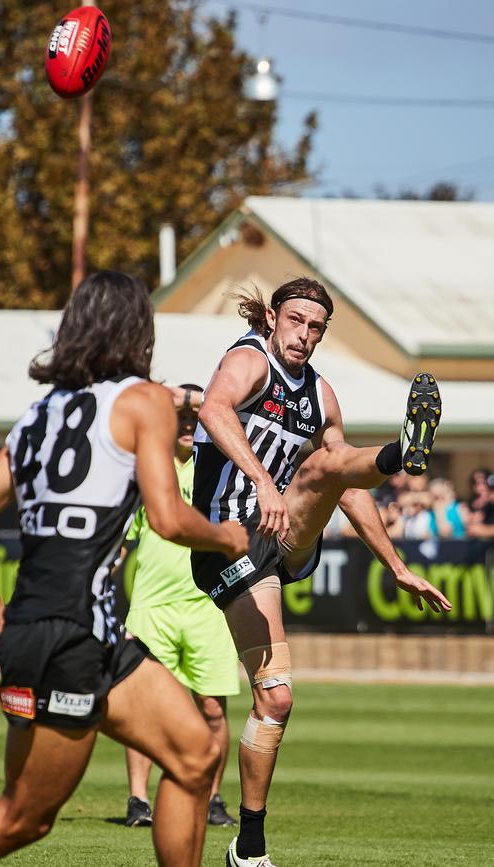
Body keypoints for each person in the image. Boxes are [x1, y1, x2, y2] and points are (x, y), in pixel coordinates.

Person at [0, 271, 248, 867]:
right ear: (135, 331)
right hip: (72, 638)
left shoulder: (38, 417)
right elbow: (169, 518)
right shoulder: (142, 401)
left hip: (58, 633)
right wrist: (226, 536)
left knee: (196, 756)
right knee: (22, 817)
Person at [190, 277, 452, 867]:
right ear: (274, 318)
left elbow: (342, 480)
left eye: (317, 327)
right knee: (276, 700)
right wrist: (261, 479)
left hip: (283, 531)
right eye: (297, 321)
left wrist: (398, 567)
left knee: (332, 462)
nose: (305, 335)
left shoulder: (321, 395)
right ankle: (250, 846)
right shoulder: (248, 359)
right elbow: (212, 407)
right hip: (230, 542)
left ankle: (399, 452)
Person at [123, 383, 239, 830]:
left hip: (208, 607)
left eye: (197, 418)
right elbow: (121, 544)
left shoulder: (220, 469)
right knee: (143, 711)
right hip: (152, 608)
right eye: (182, 417)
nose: (189, 424)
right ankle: (138, 800)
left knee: (212, 709)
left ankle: (211, 799)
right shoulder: (146, 471)